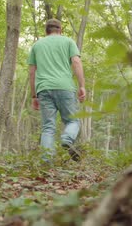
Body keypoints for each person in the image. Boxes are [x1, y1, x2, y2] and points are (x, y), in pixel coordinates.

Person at [28, 19, 86, 162]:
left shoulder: (37, 45)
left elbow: (31, 72)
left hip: (44, 89)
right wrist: (82, 85)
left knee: (48, 127)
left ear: (46, 30)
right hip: (65, 87)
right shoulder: (68, 42)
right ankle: (67, 139)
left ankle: (47, 162)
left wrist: (34, 96)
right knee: (73, 121)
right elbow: (76, 62)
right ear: (60, 29)